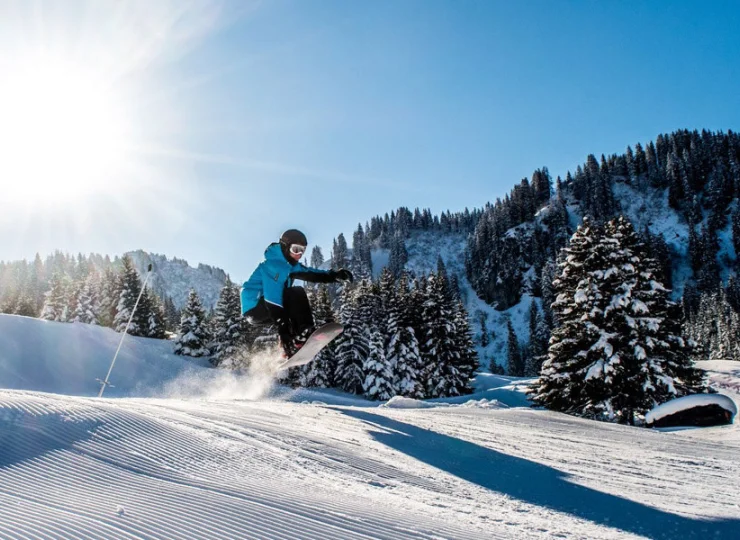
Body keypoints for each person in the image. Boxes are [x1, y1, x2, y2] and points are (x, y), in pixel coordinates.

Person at [241, 229, 353, 357]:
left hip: (265, 307)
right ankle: (303, 332)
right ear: (285, 247)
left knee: (291, 309)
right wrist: (282, 328)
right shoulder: (274, 265)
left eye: (302, 250)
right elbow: (272, 299)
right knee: (295, 293)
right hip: (255, 306)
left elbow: (311, 274)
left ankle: (292, 344)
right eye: (295, 249)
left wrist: (334, 276)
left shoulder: (290, 266)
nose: (299, 254)